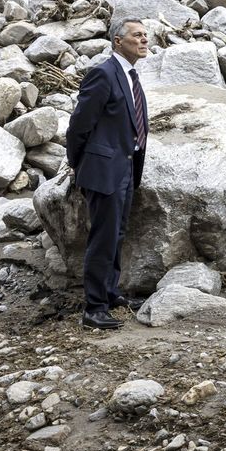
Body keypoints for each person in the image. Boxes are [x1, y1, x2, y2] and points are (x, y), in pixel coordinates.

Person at [65, 17, 151, 330]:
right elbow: (79, 125)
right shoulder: (103, 73)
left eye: (145, 35)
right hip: (104, 170)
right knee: (102, 238)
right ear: (117, 40)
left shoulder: (130, 75)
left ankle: (111, 292)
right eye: (137, 35)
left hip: (126, 167)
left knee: (116, 234)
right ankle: (94, 308)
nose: (143, 40)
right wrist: (78, 163)